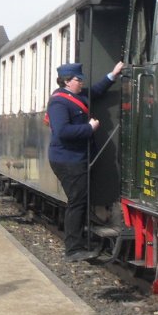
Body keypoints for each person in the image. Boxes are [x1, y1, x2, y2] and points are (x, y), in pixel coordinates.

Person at [47, 60, 124, 262]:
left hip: (76, 159)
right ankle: (73, 249)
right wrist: (89, 129)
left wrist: (113, 74)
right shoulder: (59, 102)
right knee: (77, 202)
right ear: (66, 81)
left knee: (79, 201)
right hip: (67, 160)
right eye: (77, 79)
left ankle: (77, 245)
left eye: (80, 79)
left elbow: (96, 91)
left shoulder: (77, 95)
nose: (81, 82)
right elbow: (62, 132)